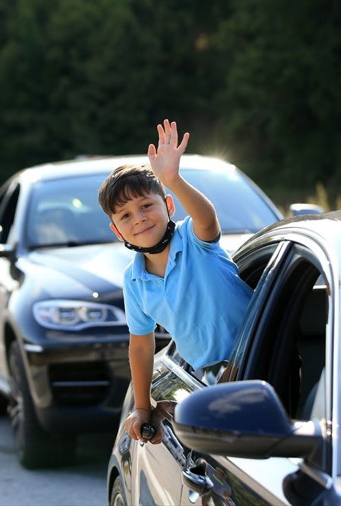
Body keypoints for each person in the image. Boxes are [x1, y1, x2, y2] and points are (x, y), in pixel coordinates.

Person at [98, 119, 253, 444]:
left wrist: (173, 178)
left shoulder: (194, 239)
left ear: (168, 205)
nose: (138, 218)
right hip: (206, 380)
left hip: (255, 358)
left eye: (145, 206)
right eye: (125, 216)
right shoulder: (134, 281)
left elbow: (207, 218)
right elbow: (141, 346)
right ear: (116, 232)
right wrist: (142, 407)